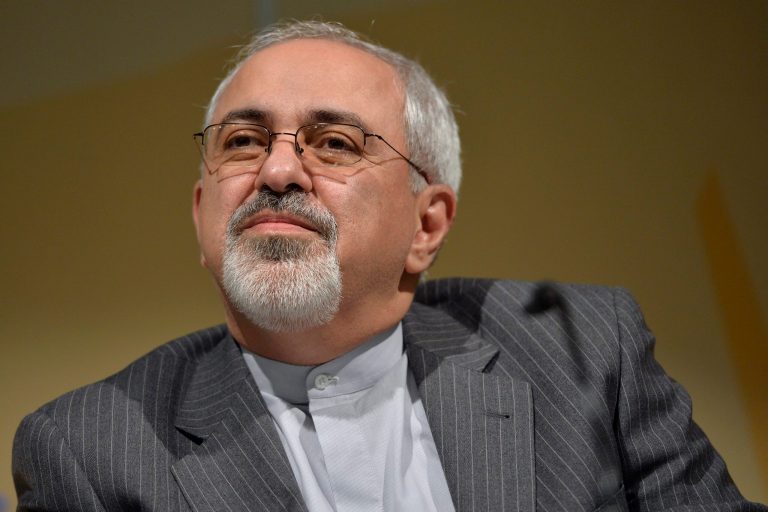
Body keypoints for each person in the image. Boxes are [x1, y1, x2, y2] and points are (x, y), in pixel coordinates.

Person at [12, 20, 766, 512]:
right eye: (242, 141)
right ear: (202, 211)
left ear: (426, 225)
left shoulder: (583, 353)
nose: (278, 170)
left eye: (334, 143)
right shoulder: (90, 450)